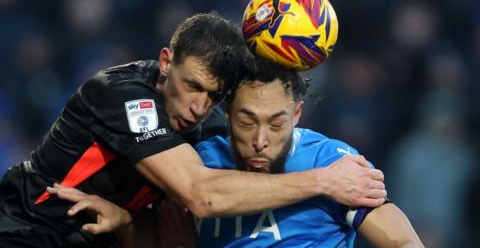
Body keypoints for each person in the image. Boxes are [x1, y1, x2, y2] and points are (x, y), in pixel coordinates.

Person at [0, 12, 386, 248]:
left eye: (214, 96)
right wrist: (324, 181)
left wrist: (126, 221)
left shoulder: (210, 123)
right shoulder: (120, 94)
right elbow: (201, 195)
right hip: (27, 229)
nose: (200, 108)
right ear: (166, 62)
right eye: (193, 86)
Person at [49, 58, 421, 248]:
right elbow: (163, 238)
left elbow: (400, 240)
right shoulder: (198, 163)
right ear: (225, 114)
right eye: (246, 121)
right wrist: (126, 223)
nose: (260, 139)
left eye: (276, 124)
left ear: (297, 115)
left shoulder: (331, 159)